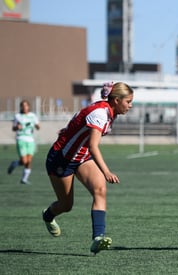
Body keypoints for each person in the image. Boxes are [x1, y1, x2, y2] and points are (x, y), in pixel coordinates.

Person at [42, 82, 134, 254]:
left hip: (82, 158)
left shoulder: (109, 111)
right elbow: (93, 146)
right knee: (66, 205)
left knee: (100, 190)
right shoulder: (100, 113)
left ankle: (98, 238)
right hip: (61, 160)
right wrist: (106, 171)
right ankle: (48, 215)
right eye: (128, 101)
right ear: (115, 100)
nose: (130, 105)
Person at [8, 100, 40, 184]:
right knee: (24, 161)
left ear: (29, 107)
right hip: (21, 139)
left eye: (26, 106)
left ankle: (24, 179)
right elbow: (13, 128)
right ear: (21, 107)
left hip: (30, 140)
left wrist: (37, 125)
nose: (25, 107)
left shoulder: (32, 116)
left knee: (29, 161)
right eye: (23, 106)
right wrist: (17, 127)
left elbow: (38, 126)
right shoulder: (18, 116)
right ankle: (14, 163)